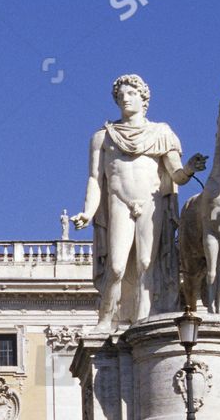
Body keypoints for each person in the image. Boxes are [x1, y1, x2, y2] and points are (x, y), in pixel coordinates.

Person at [72, 74, 208, 333]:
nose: (125, 97)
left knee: (147, 263)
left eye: (131, 93)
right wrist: (88, 212)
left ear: (144, 98)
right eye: (120, 94)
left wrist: (189, 168)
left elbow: (176, 174)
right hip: (118, 202)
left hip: (151, 202)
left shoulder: (162, 133)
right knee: (116, 265)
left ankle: (144, 320)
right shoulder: (103, 137)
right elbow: (94, 178)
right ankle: (105, 319)